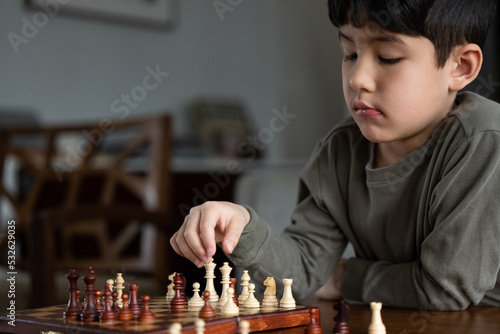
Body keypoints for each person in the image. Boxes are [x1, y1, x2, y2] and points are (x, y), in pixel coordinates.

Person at [171, 0, 500, 311]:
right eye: (350, 53)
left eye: (387, 57)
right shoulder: (339, 151)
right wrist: (242, 227)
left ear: (460, 67)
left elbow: (445, 288)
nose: (357, 78)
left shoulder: (484, 140)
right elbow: (302, 274)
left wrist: (347, 278)